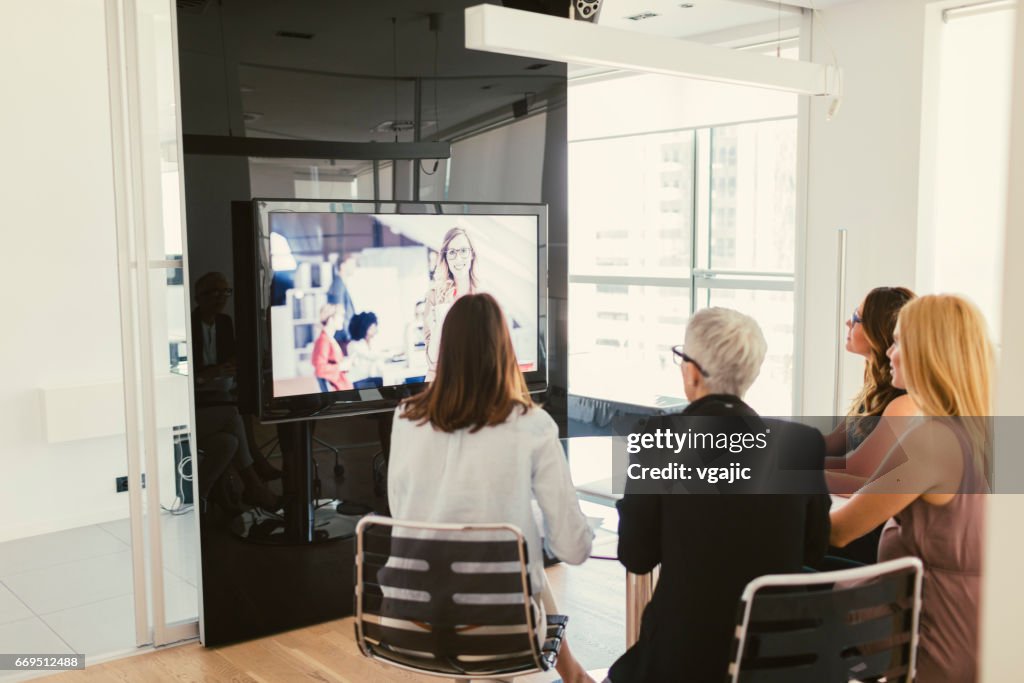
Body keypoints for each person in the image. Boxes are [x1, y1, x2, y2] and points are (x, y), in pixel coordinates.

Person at [610, 308, 830, 683]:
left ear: (692, 371)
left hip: (680, 662)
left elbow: (637, 555)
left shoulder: (657, 440)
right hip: (778, 662)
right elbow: (813, 550)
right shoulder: (801, 443)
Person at [388, 293, 595, 683]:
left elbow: (405, 516)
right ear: (504, 349)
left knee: (507, 557)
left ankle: (575, 675)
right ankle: (576, 676)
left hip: (412, 620)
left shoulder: (405, 417)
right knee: (515, 559)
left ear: (445, 349)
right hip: (496, 629)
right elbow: (571, 548)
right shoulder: (530, 424)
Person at [830, 295, 992, 683]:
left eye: (899, 341)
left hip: (934, 640)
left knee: (757, 591)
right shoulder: (969, 429)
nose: (889, 351)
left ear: (927, 354)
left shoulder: (931, 441)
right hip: (958, 627)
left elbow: (838, 531)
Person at [823, 286, 915, 563]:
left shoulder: (904, 402)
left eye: (856, 317)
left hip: (870, 535)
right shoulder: (874, 388)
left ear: (878, 331)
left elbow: (859, 474)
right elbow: (832, 445)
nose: (848, 323)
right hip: (855, 519)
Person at [423, 227, 479, 377]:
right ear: (445, 258)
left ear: (472, 254)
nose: (458, 259)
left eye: (463, 251)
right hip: (445, 380)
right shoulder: (434, 296)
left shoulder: (483, 296)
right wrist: (438, 326)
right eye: (452, 252)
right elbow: (432, 362)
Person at [311, 304, 351, 392]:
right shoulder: (323, 340)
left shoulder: (329, 338)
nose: (342, 320)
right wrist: (341, 366)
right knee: (374, 393)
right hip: (340, 390)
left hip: (343, 386)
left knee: (373, 388)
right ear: (330, 319)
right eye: (340, 316)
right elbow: (320, 369)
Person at [346, 311, 388, 384]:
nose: (376, 330)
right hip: (362, 382)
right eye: (373, 327)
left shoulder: (370, 342)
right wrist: (393, 354)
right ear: (364, 328)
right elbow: (372, 356)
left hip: (372, 380)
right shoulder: (354, 345)